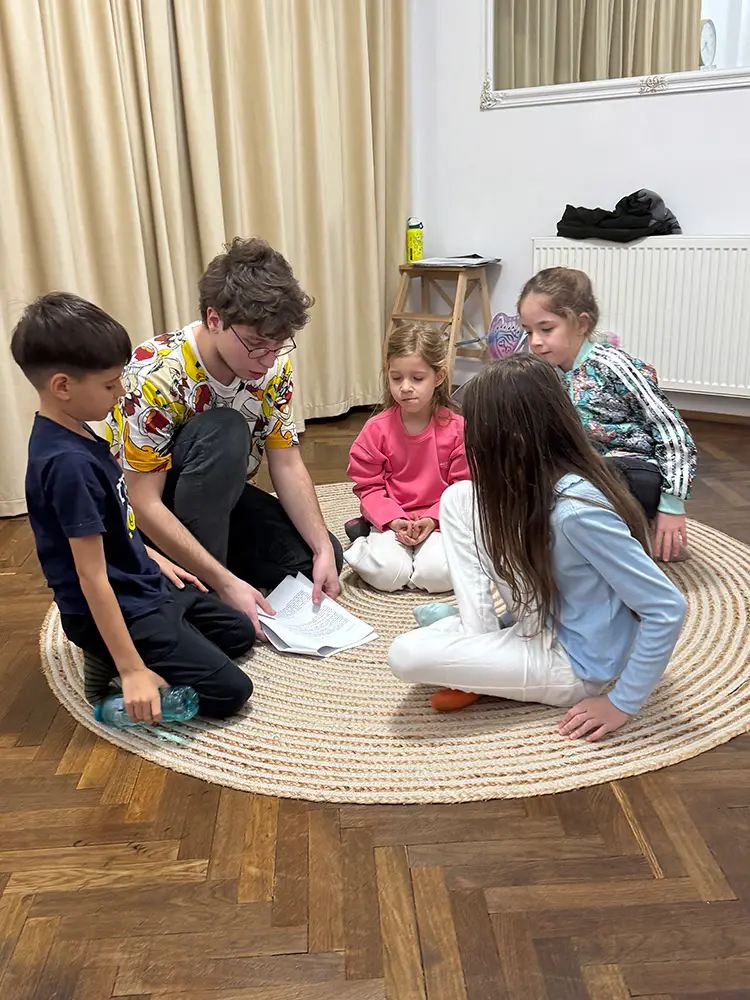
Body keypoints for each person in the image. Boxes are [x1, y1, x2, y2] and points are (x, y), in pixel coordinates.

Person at [388, 355, 687, 742]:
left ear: (507, 439)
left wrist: (621, 703)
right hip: (540, 614)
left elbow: (666, 607)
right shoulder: (538, 482)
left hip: (572, 662)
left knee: (405, 654)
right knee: (460, 497)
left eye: (475, 431)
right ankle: (479, 636)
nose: (468, 440)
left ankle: (471, 645)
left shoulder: (577, 514)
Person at [11, 293, 255, 723]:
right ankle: (111, 664)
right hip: (116, 605)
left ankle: (151, 644)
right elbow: (90, 575)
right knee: (231, 692)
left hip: (141, 582)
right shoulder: (66, 465)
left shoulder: (79, 431)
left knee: (238, 632)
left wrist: (154, 558)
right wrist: (132, 670)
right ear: (62, 387)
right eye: (110, 385)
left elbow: (116, 521)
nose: (121, 392)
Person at [107, 237, 343, 637]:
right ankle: (204, 583)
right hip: (156, 516)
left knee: (322, 556)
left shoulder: (273, 365)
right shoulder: (154, 373)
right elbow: (143, 503)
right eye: (256, 346)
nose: (268, 360)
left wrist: (321, 548)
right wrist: (224, 584)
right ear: (214, 319)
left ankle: (208, 575)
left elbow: (286, 462)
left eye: (278, 345)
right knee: (226, 430)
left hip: (221, 503)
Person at [517, 266, 697, 563]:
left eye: (546, 329)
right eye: (528, 332)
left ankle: (638, 532)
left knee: (580, 485)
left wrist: (672, 504)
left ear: (581, 324)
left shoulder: (613, 365)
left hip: (634, 471)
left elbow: (672, 430)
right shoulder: (548, 373)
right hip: (587, 469)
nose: (535, 341)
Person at [344, 324, 469, 592]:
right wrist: (392, 519)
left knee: (437, 576)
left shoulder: (458, 430)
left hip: (441, 521)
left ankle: (414, 559)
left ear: (439, 377)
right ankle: (363, 537)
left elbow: (463, 489)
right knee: (387, 576)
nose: (405, 387)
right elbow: (368, 486)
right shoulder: (376, 430)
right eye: (396, 378)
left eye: (417, 378)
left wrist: (433, 519)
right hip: (391, 521)